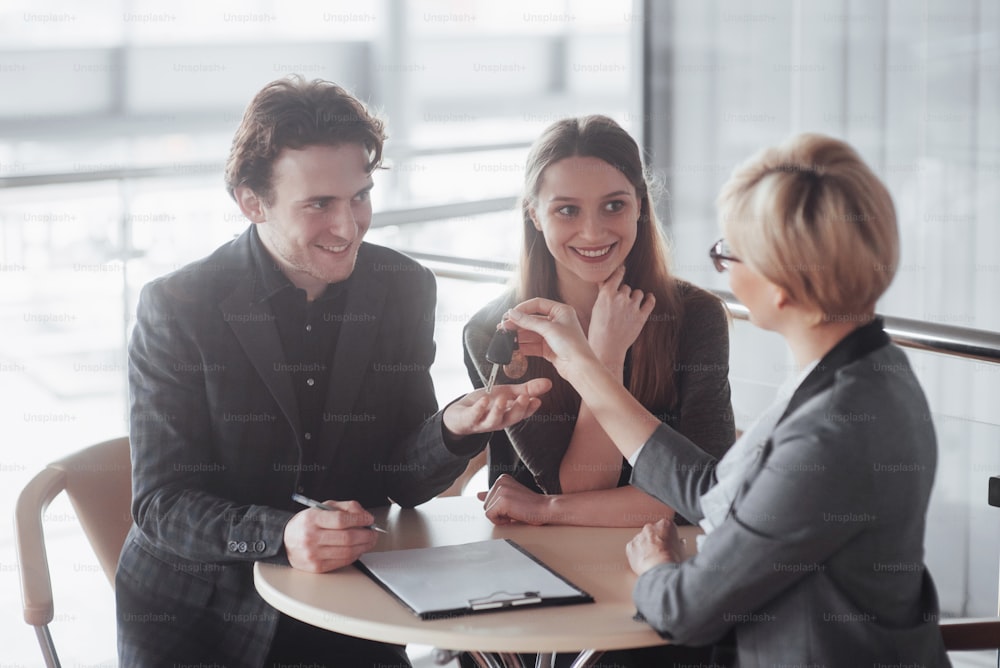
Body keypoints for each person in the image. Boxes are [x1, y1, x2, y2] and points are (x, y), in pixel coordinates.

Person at [116, 76, 550, 667]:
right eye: (319, 204)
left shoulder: (402, 287)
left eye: (360, 197)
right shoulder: (179, 305)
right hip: (203, 616)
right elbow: (162, 504)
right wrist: (282, 534)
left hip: (350, 604)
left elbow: (400, 480)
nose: (348, 226)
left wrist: (451, 427)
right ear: (251, 201)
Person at [499, 133, 951, 666]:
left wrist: (655, 568)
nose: (723, 269)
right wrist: (590, 366)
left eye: (728, 252)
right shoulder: (870, 369)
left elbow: (688, 609)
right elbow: (718, 490)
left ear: (781, 286)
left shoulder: (831, 432)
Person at [461, 115, 733, 667]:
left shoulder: (696, 317)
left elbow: (700, 498)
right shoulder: (500, 330)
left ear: (640, 207)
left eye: (614, 205)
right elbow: (583, 482)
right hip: (537, 584)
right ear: (534, 214)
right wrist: (604, 354)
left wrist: (547, 508)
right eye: (567, 210)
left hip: (660, 579)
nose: (593, 232)